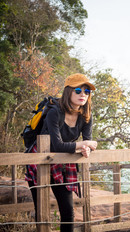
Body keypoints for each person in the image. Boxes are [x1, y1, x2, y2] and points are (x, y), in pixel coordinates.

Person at [25, 73, 98, 231]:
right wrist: (84, 144)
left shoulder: (86, 116)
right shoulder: (54, 112)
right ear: (68, 92)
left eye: (87, 92)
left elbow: (88, 142)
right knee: (42, 211)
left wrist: (86, 149)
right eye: (78, 90)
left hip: (63, 160)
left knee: (67, 210)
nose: (83, 94)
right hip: (39, 160)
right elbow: (56, 145)